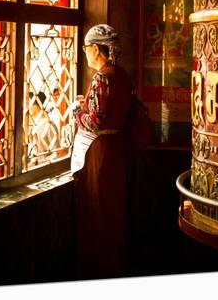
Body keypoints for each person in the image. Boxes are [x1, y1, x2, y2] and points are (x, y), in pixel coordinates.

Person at [71, 24, 133, 280]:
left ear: (96, 49)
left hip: (100, 152)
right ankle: (115, 264)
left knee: (98, 210)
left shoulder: (101, 77)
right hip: (118, 149)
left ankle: (99, 270)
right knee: (114, 211)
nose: (85, 53)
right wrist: (91, 107)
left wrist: (77, 110)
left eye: (87, 48)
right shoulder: (120, 75)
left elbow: (95, 121)